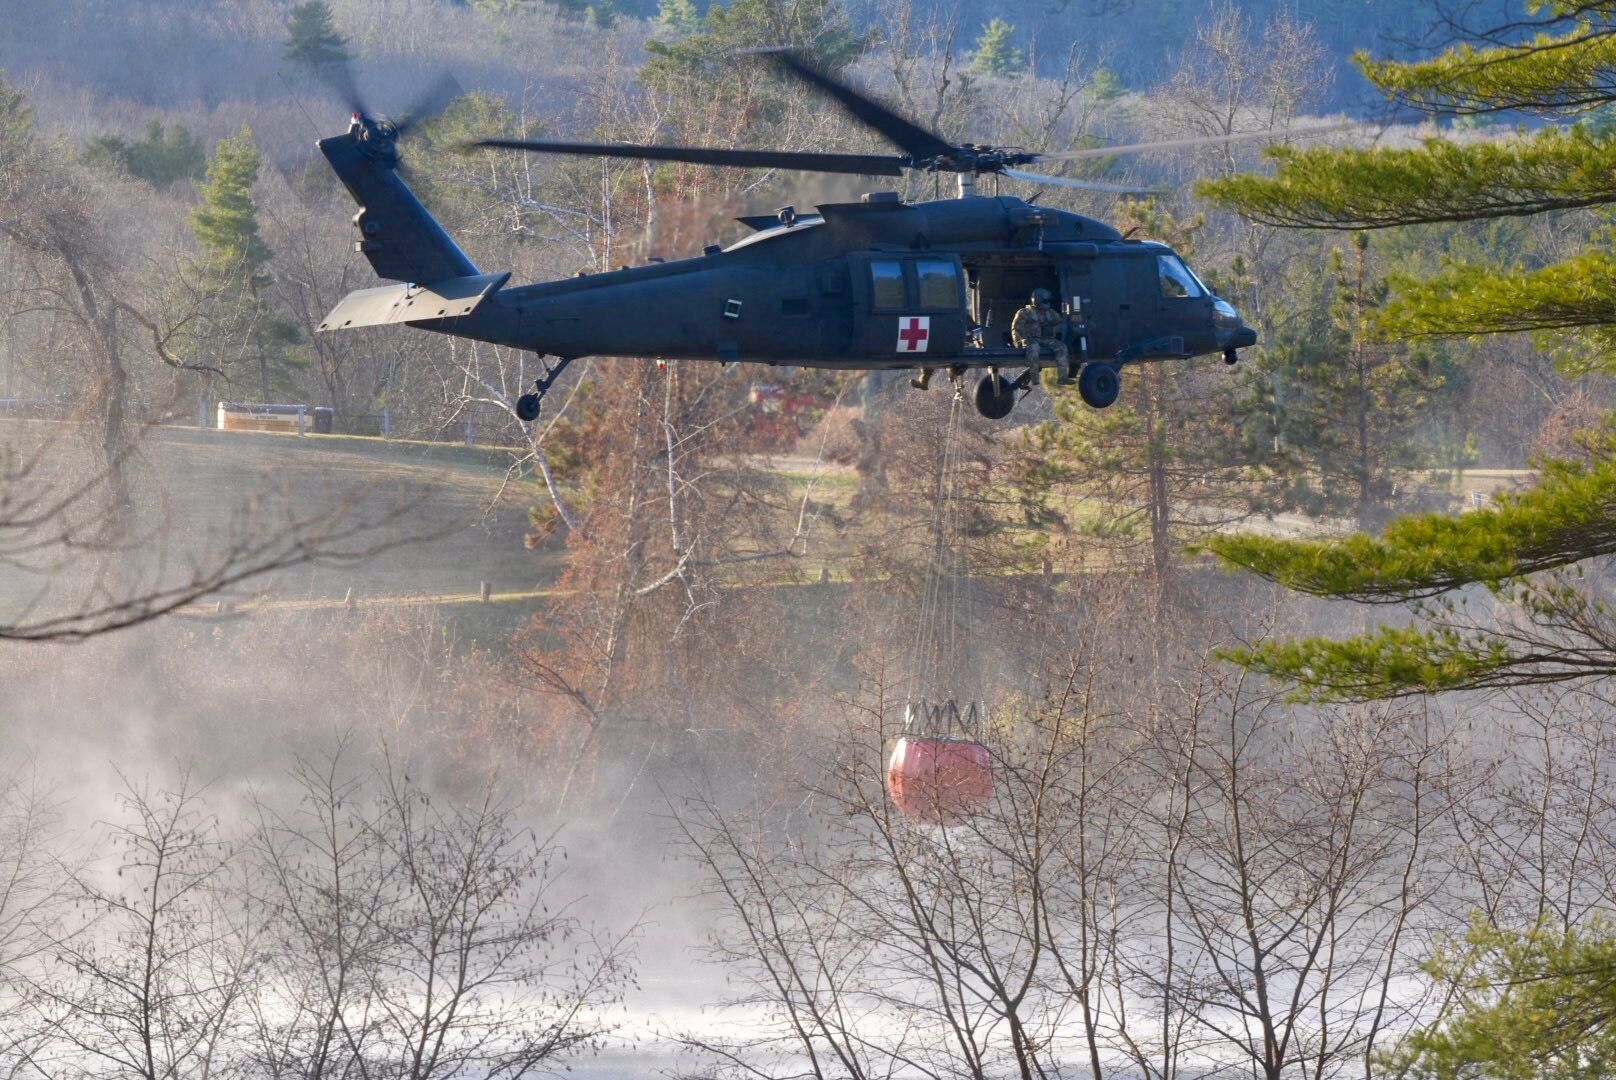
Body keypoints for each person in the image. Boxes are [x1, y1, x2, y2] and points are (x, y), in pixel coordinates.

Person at [1010, 288, 1071, 381]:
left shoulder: (1050, 313)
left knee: (1062, 347)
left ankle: (1063, 378)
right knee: (1034, 349)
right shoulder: (1025, 313)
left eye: (1048, 301)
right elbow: (1016, 329)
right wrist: (1019, 342)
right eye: (1045, 301)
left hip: (1046, 340)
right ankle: (1034, 378)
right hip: (1030, 340)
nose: (1047, 303)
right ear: (1037, 300)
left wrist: (1053, 329)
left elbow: (1061, 323)